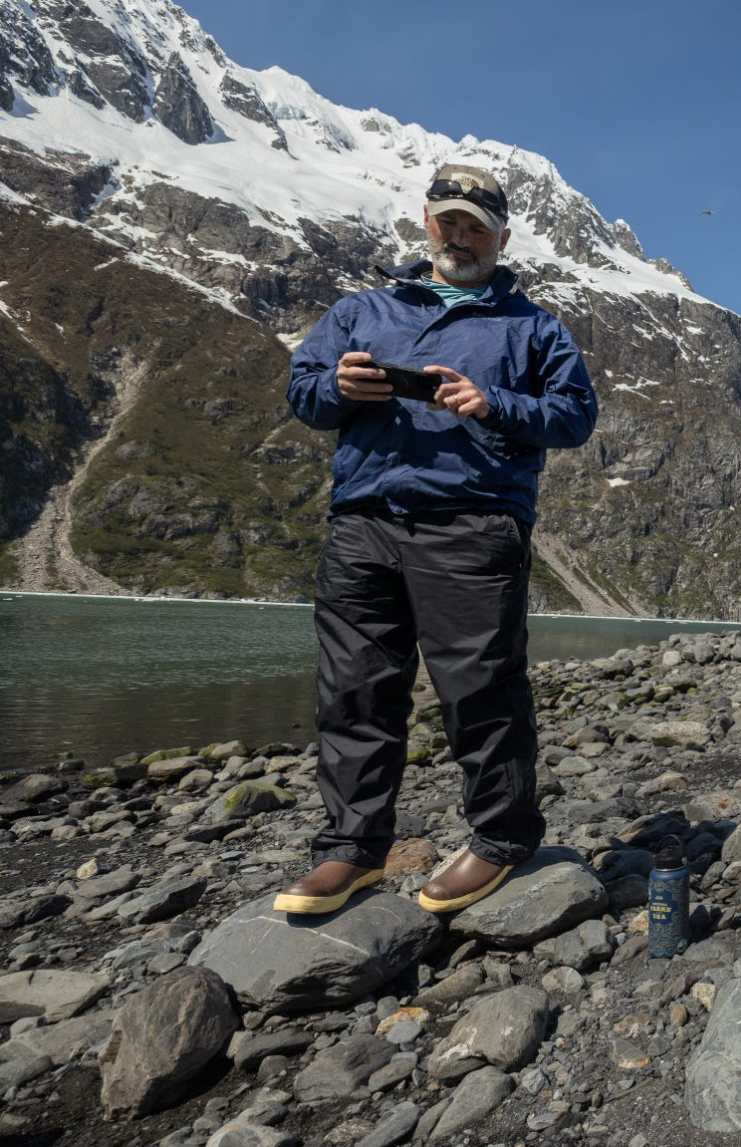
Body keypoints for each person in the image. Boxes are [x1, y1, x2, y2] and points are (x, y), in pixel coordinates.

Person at [275, 163, 599, 916]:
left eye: (475, 227)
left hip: (473, 524)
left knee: (482, 690)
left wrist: (495, 403)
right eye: (448, 221)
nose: (460, 237)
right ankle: (351, 851)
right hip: (363, 523)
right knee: (354, 690)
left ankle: (500, 838)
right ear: (427, 222)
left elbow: (575, 416)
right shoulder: (363, 310)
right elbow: (303, 390)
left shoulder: (535, 327)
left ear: (501, 237)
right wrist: (337, 389)